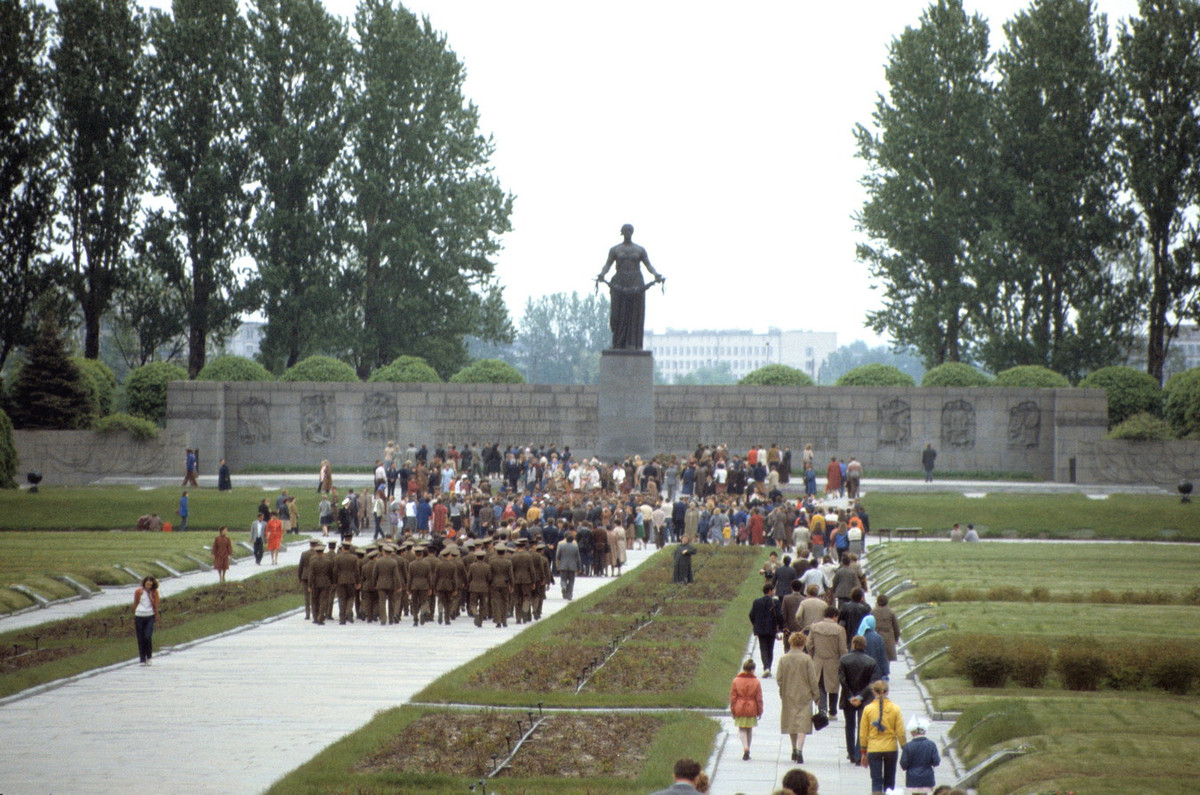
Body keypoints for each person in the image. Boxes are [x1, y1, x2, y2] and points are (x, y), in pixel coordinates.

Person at [594, 223, 665, 350]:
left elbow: (649, 265)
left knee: (634, 315)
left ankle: (632, 344)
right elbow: (607, 265)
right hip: (619, 284)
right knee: (618, 315)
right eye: (625, 230)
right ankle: (617, 343)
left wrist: (656, 274)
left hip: (636, 283)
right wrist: (602, 274)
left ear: (632, 232)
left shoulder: (640, 250)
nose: (627, 232)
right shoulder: (615, 249)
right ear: (622, 232)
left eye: (629, 230)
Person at [776, 632, 821, 764]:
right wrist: (816, 695)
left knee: (791, 721)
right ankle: (800, 750)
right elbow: (812, 679)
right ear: (803, 644)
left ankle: (794, 748)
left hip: (788, 694)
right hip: (804, 694)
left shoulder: (783, 659)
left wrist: (783, 689)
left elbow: (779, 679)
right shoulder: (806, 659)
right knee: (803, 723)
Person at [859, 680, 906, 794]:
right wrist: (905, 748)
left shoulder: (868, 709)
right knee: (890, 780)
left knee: (876, 780)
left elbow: (863, 733)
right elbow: (900, 732)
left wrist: (863, 752)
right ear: (887, 692)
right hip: (891, 748)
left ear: (873, 692)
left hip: (874, 748)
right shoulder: (895, 709)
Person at [838, 634, 878, 763]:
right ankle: (858, 753)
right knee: (863, 726)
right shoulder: (871, 662)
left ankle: (850, 752)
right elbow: (872, 683)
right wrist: (860, 696)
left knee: (849, 726)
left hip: (848, 697)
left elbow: (842, 680)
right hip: (865, 699)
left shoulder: (844, 660)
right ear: (864, 645)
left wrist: (850, 696)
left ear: (853, 644)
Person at [806, 605, 847, 718]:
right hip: (833, 661)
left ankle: (822, 709)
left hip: (818, 660)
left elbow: (809, 644)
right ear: (835, 616)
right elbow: (842, 649)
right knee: (833, 687)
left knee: (820, 685)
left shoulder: (814, 627)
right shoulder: (840, 630)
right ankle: (832, 711)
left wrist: (813, 656)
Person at [729, 658, 764, 761]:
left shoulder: (736, 681)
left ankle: (745, 747)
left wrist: (733, 709)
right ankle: (748, 748)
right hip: (751, 707)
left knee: (742, 729)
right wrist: (760, 710)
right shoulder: (756, 682)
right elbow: (759, 698)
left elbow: (733, 697)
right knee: (749, 729)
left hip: (740, 706)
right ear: (753, 670)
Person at [901, 716, 941, 794]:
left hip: (912, 780)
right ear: (924, 731)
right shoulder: (931, 744)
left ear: (912, 732)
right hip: (927, 778)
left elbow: (903, 764)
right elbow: (936, 762)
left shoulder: (908, 746)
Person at [749, 583, 782, 676]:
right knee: (770, 648)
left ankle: (766, 667)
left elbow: (751, 615)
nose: (774, 592)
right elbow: (779, 615)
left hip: (760, 629)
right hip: (771, 629)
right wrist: (780, 627)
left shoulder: (756, 602)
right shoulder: (775, 602)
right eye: (773, 590)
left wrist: (755, 624)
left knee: (763, 648)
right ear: (770, 591)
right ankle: (769, 668)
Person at [132, 575, 160, 665]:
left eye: (150, 584)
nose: (148, 586)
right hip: (139, 616)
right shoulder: (138, 592)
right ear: (144, 583)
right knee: (140, 638)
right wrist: (136, 612)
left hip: (150, 616)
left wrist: (155, 615)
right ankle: (142, 659)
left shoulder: (154, 592)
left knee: (147, 637)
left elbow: (156, 604)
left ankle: (149, 657)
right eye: (147, 584)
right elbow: (136, 602)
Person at [860, 614, 890, 681]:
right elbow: (882, 655)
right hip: (876, 671)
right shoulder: (878, 638)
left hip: (862, 671)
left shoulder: (860, 636)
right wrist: (885, 672)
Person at [873, 593, 901, 662]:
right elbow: (896, 627)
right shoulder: (890, 612)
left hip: (876, 638)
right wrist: (896, 638)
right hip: (888, 639)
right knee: (887, 658)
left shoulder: (872, 612)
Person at [556, 530, 580, 600]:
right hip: (572, 566)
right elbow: (578, 558)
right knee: (571, 581)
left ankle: (563, 587)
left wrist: (560, 562)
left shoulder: (562, 546)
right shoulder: (575, 547)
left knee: (563, 579)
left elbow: (558, 556)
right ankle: (569, 595)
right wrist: (579, 567)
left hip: (563, 565)